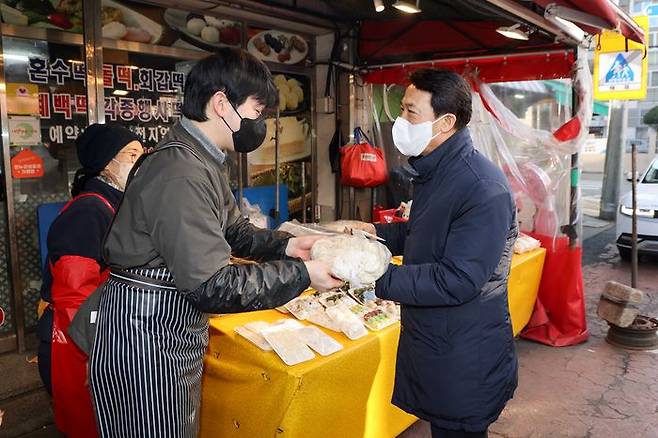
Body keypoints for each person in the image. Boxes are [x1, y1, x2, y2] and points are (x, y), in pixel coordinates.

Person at [88, 47, 341, 437]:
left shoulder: (202, 159)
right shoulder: (180, 172)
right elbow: (212, 285)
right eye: (257, 112)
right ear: (222, 104)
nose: (261, 125)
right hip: (144, 338)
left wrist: (289, 246)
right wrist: (302, 274)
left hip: (167, 326)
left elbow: (233, 231)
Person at [369, 69, 518, 437]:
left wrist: (370, 275)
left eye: (410, 112)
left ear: (446, 122)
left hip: (465, 354)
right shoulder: (439, 171)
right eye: (401, 110)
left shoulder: (481, 186)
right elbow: (424, 232)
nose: (400, 121)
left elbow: (458, 279)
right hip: (440, 344)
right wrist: (371, 235)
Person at [36, 123, 144, 438]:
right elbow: (75, 299)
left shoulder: (116, 204)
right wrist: (96, 356)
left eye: (142, 153)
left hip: (101, 338)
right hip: (76, 346)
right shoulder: (87, 212)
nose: (141, 162)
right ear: (107, 163)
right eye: (132, 154)